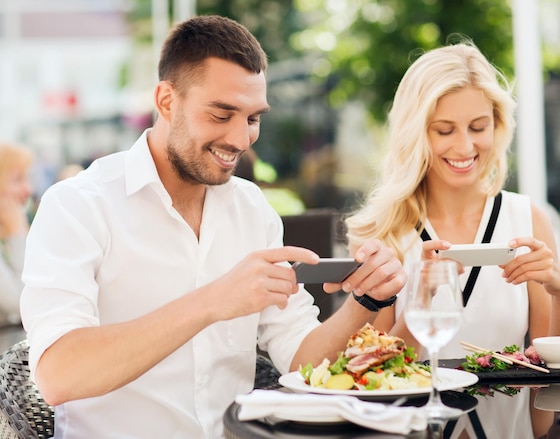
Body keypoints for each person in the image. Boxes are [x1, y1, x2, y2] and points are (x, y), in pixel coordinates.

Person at [20, 15, 405, 439]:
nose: (241, 139)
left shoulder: (252, 209)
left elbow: (303, 362)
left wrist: (365, 301)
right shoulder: (77, 206)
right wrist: (212, 301)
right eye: (222, 115)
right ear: (167, 101)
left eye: (253, 118)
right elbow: (59, 375)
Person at [344, 42, 560, 438]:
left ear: (497, 125)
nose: (466, 147)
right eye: (444, 130)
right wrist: (421, 299)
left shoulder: (527, 220)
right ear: (416, 132)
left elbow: (550, 391)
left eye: (478, 127)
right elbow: (373, 379)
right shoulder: (379, 234)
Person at [0, 142, 33, 327]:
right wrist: (17, 235)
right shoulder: (14, 233)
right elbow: (22, 302)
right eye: (17, 179)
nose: (28, 189)